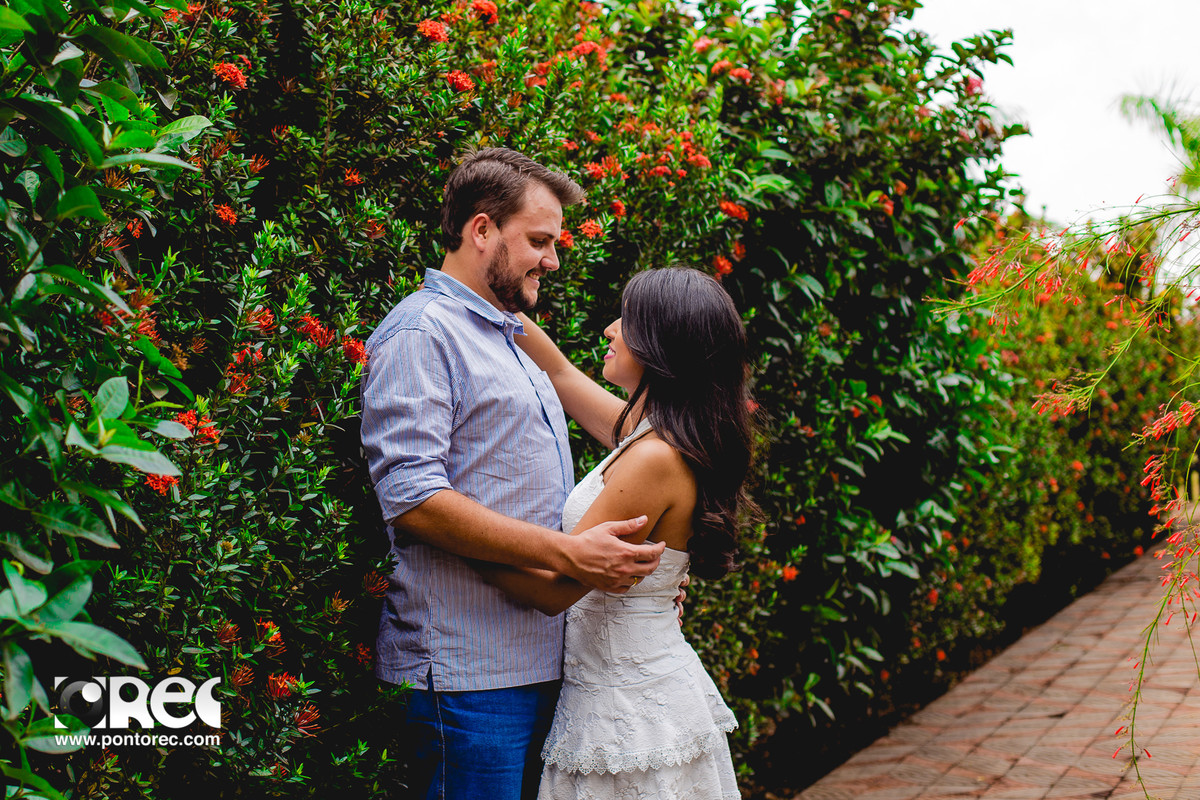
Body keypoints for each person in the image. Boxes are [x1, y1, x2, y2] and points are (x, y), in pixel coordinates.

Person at [359, 148, 667, 800]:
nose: (552, 260)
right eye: (538, 241)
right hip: (467, 677)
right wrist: (572, 554)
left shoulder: (508, 335)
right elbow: (413, 499)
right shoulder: (422, 332)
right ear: (480, 230)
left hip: (538, 662)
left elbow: (611, 416)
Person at [476, 267, 754, 800]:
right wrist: (483, 294)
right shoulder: (656, 436)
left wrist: (445, 530)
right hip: (636, 687)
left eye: (626, 320)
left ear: (659, 345)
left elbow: (553, 590)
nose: (608, 329)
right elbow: (558, 373)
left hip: (623, 705)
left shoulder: (653, 457)